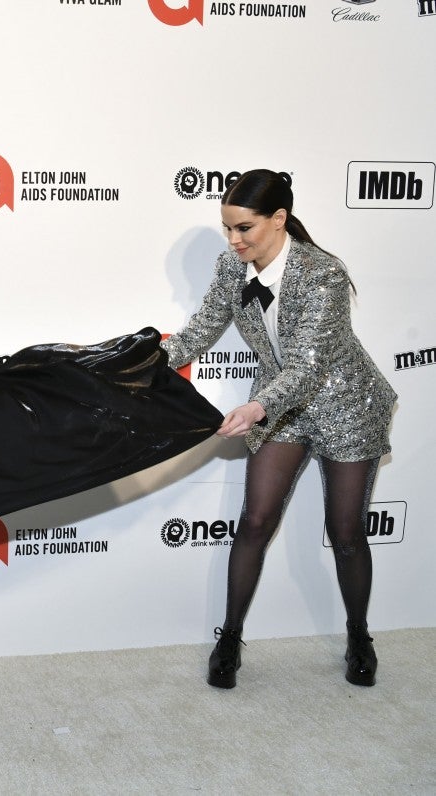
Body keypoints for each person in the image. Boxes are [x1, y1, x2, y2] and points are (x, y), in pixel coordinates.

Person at [161, 169, 397, 689]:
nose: (233, 240)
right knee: (255, 522)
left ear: (279, 219)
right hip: (281, 409)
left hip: (346, 405)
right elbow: (200, 329)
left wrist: (255, 409)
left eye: (243, 228)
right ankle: (229, 639)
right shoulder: (232, 266)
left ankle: (359, 635)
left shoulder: (322, 274)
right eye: (226, 228)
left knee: (346, 533)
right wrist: (145, 364)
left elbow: (309, 366)